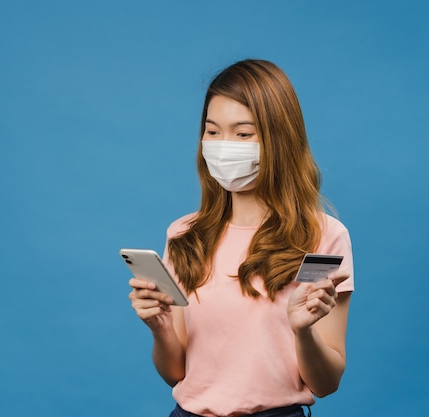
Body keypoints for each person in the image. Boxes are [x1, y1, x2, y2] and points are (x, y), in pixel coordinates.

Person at [128, 59, 354, 417]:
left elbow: (326, 384)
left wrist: (303, 331)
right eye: (213, 132)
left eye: (243, 133)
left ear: (279, 138)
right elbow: (177, 374)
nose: (222, 146)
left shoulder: (322, 237)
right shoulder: (185, 235)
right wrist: (159, 328)